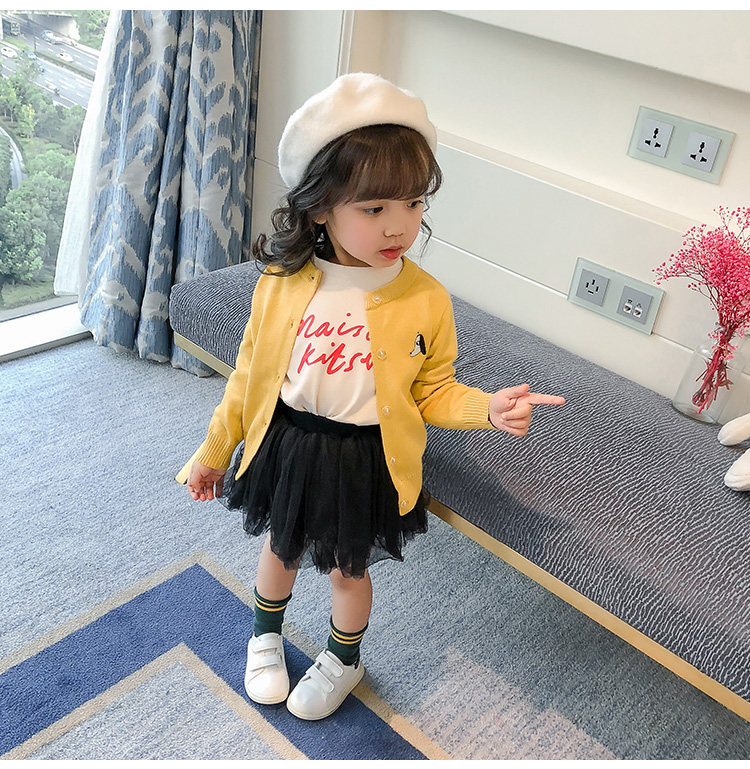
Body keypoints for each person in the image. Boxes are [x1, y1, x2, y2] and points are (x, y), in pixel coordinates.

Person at [178, 72, 566, 721]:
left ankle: (343, 658)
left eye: (413, 203)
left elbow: (432, 390)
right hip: (289, 441)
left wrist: (486, 408)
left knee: (348, 571)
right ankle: (265, 636)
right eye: (374, 208)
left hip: (365, 457)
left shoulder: (425, 299)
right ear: (320, 207)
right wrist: (213, 452)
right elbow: (248, 378)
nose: (400, 226)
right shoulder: (281, 283)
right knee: (280, 547)